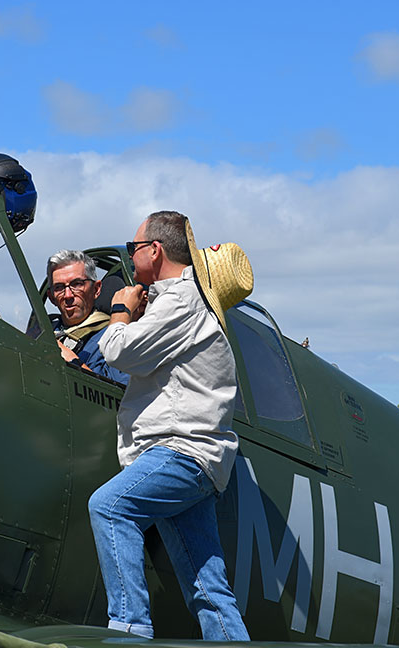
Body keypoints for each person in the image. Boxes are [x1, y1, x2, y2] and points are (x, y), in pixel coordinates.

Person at [90, 210, 254, 641]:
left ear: (154, 251)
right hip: (199, 460)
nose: (130, 255)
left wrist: (122, 311)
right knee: (209, 587)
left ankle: (129, 630)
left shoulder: (183, 301)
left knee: (109, 507)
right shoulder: (183, 305)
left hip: (180, 451)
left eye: (132, 248)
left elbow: (119, 352)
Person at [47, 250, 129, 385]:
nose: (68, 295)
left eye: (77, 284)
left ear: (96, 289)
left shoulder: (114, 337)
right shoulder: (43, 332)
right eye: (59, 287)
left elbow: (122, 395)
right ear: (51, 297)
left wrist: (71, 361)